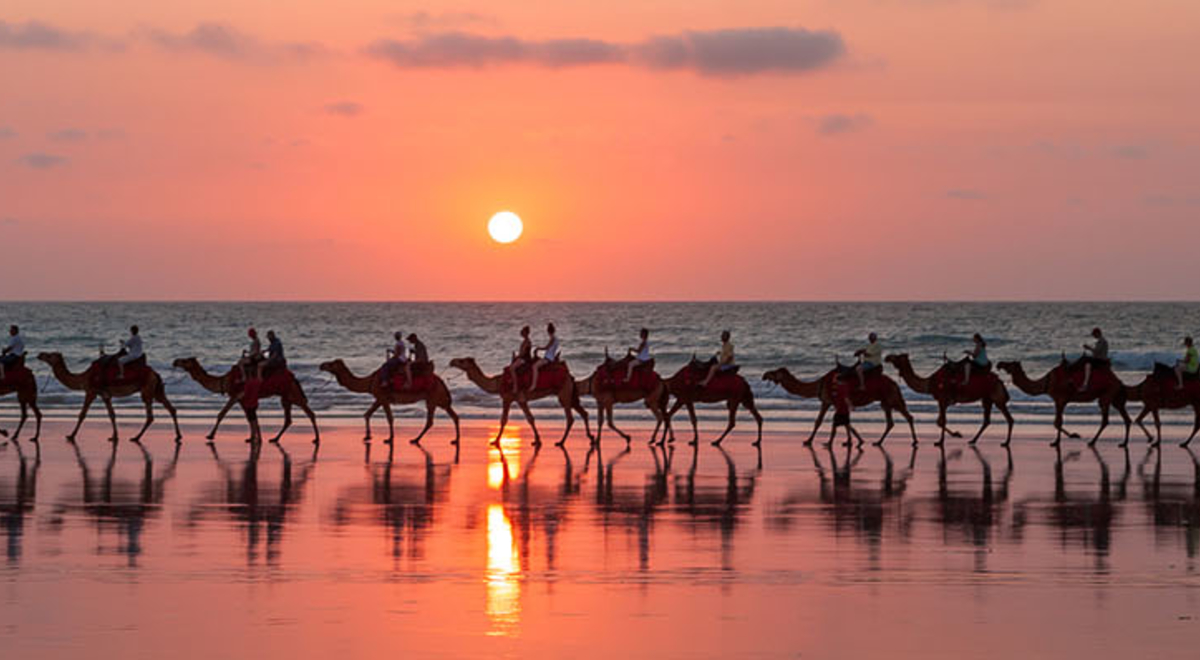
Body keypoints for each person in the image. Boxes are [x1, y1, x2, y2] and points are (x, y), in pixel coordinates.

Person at [528, 323, 560, 393]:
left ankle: (534, 385)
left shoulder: (553, 338)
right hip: (550, 357)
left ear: (548, 331)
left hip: (548, 358)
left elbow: (547, 347)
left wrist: (538, 348)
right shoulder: (556, 339)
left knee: (534, 367)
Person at [504, 326, 533, 394]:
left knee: (512, 368)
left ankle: (515, 387)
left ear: (526, 333)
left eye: (523, 331)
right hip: (523, 358)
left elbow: (523, 353)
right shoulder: (525, 341)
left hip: (525, 359)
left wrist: (516, 357)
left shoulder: (527, 342)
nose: (521, 333)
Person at [1079, 327, 1109, 392]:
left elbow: (1097, 351)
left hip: (1101, 360)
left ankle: (1085, 383)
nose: (1093, 336)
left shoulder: (1102, 341)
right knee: (1084, 359)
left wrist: (1088, 348)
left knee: (1087, 364)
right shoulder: (1100, 341)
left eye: (1094, 334)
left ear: (1098, 333)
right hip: (1098, 359)